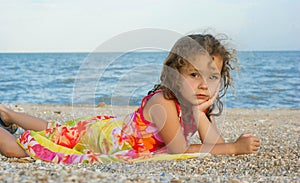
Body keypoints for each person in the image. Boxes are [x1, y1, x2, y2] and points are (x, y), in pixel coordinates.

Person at [0, 34, 260, 164]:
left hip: (114, 131)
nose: (204, 84)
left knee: (55, 129)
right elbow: (180, 150)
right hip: (104, 138)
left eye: (212, 77)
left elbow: (214, 144)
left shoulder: (194, 104)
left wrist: (200, 113)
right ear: (173, 75)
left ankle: (8, 115)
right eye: (194, 74)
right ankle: (6, 115)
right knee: (27, 148)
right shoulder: (163, 104)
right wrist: (234, 148)